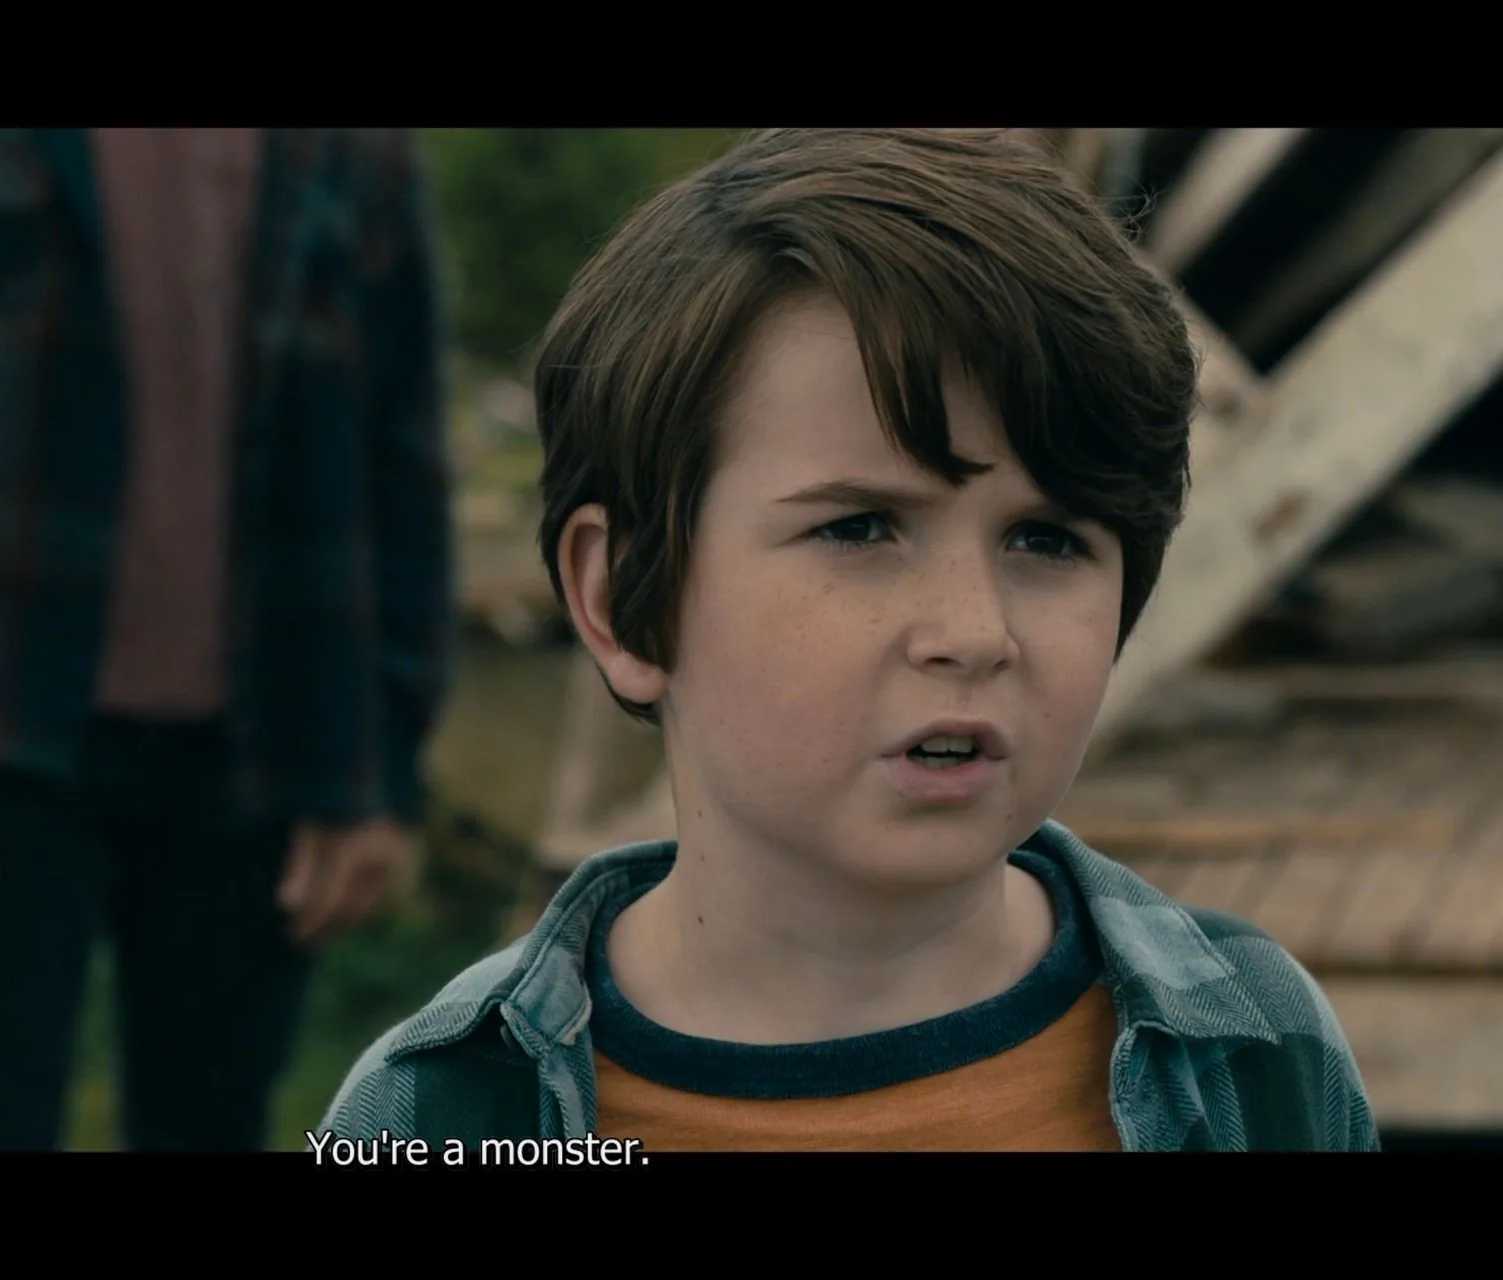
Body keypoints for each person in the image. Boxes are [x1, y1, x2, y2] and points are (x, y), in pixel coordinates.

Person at [317, 128, 1377, 1152]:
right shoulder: (439, 1113)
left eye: (1046, 539)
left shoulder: (1257, 1048)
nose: (974, 632)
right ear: (619, 599)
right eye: (860, 528)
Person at [0, 128, 451, 1151]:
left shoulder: (354, 146)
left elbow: (400, 448)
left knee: (212, 1123)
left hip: (255, 751)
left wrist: (380, 765)